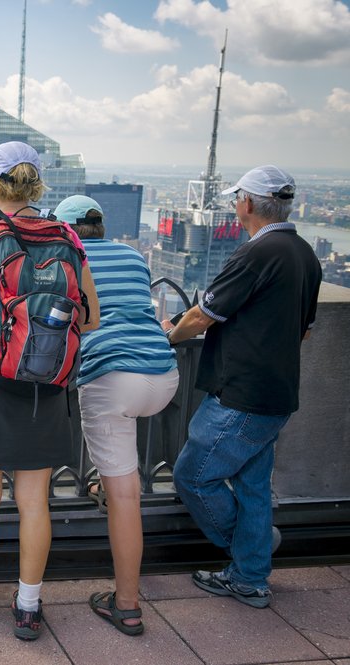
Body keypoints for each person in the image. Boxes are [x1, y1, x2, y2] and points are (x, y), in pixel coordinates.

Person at [0, 142, 100, 640]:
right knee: (35, 503)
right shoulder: (66, 234)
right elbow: (90, 318)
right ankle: (28, 606)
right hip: (46, 385)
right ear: (36, 184)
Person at [164, 165, 321, 608]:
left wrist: (166, 336)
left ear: (247, 204)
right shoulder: (304, 254)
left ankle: (251, 551)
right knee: (252, 484)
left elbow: (202, 316)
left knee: (192, 475)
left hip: (241, 394)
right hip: (278, 392)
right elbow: (304, 330)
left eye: (237, 199)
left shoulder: (257, 253)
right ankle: (250, 578)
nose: (236, 206)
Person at [54, 195, 178, 636]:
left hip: (112, 376)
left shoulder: (68, 259)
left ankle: (126, 604)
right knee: (120, 473)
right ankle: (106, 483)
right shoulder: (132, 255)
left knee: (127, 497)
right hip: (163, 374)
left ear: (66, 229)